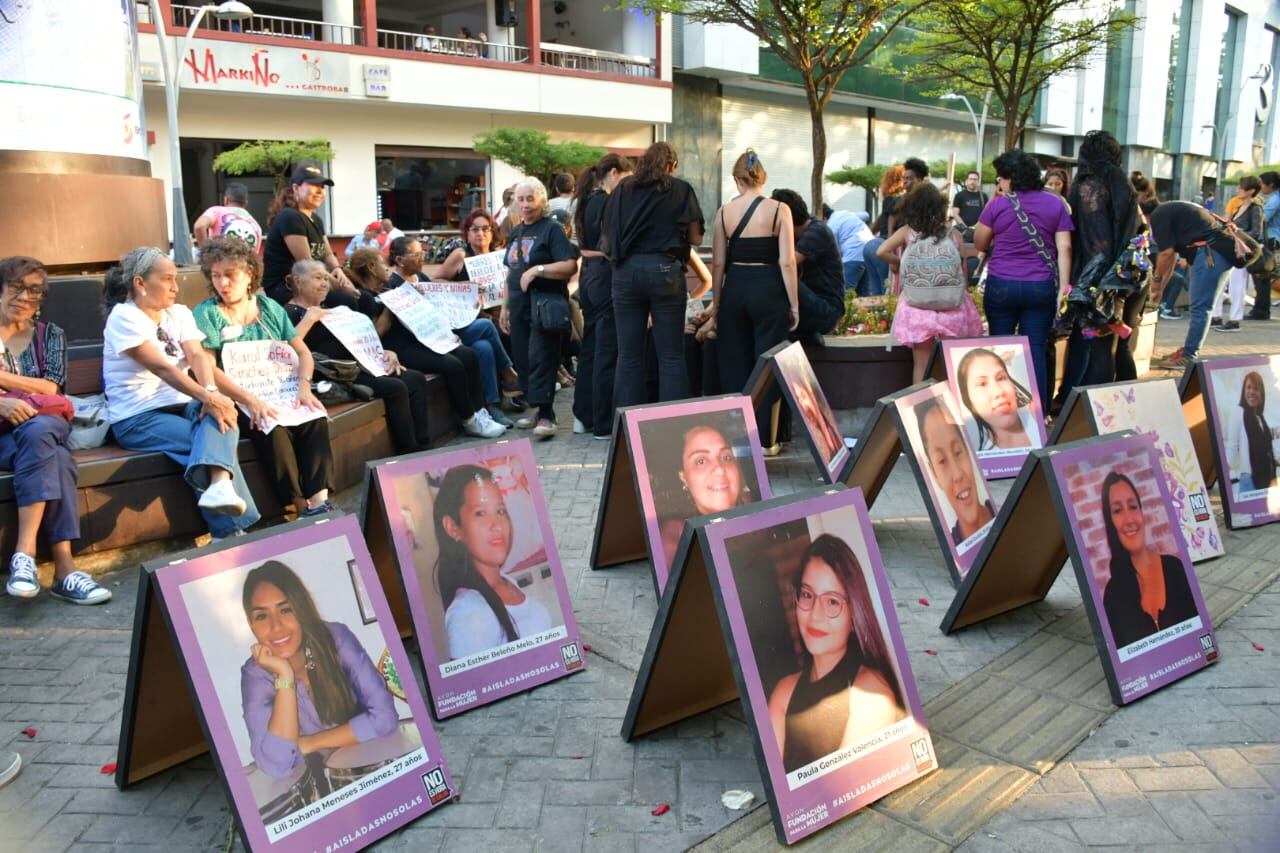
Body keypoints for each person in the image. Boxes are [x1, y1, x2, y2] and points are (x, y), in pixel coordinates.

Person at [102, 247, 260, 542]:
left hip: (182, 403)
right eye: (167, 280)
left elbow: (197, 355)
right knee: (207, 442)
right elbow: (163, 369)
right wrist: (209, 399)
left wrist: (211, 393)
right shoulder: (123, 317)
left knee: (223, 417)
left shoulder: (179, 313)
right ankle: (230, 528)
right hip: (137, 417)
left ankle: (222, 498)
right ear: (140, 283)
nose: (176, 287)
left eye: (176, 279)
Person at [193, 238, 336, 517]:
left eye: (230, 275)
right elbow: (208, 366)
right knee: (271, 426)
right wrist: (249, 399)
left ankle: (321, 501)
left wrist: (304, 389)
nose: (223, 283)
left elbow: (303, 354)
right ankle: (297, 505)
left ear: (249, 275)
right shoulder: (207, 313)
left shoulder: (270, 308)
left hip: (281, 389)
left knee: (314, 418)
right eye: (216, 275)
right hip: (239, 396)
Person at [0, 257, 109, 604]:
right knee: (58, 459)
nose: (26, 296)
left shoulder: (51, 335)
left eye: (35, 290)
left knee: (41, 429)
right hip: (7, 438)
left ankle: (24, 556)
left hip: (42, 427)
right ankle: (65, 570)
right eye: (17, 287)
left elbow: (51, 390)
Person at [240, 561, 399, 779]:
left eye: (286, 609)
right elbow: (276, 765)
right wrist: (284, 677)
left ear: (301, 609)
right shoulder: (255, 674)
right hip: (316, 789)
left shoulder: (336, 639)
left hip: (370, 766)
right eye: (261, 616)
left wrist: (308, 743)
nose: (276, 626)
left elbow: (385, 717)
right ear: (251, 624)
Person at [767, 534, 907, 774]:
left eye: (832, 601)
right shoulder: (784, 692)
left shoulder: (871, 694)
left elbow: (842, 790)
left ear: (854, 616)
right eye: (807, 595)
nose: (815, 614)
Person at [285, 257, 433, 454]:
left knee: (414, 378)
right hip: (333, 373)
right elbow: (288, 350)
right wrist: (310, 319)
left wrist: (386, 352)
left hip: (359, 364)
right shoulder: (290, 312)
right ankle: (408, 450)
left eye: (326, 279)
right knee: (395, 387)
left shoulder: (331, 310)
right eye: (317, 278)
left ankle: (424, 445)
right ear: (297, 281)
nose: (324, 284)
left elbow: (362, 338)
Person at [601, 142, 705, 409]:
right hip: (666, 272)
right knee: (671, 355)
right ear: (672, 166)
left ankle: (626, 426)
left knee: (628, 355)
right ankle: (673, 425)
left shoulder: (623, 189)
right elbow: (695, 237)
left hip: (626, 274)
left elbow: (607, 237)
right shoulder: (681, 190)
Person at [705, 150, 794, 434]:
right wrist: (794, 304)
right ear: (763, 177)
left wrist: (716, 305)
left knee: (734, 361)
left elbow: (718, 262)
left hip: (735, 288)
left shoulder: (724, 212)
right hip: (769, 287)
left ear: (736, 179)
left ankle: (737, 434)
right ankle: (767, 437)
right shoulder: (780, 209)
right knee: (767, 364)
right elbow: (787, 261)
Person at [974, 149, 1074, 399]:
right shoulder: (1055, 203)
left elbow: (980, 243)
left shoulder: (997, 205)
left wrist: (993, 203)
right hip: (1040, 287)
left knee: (999, 349)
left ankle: (1002, 409)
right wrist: (1063, 287)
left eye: (1001, 178)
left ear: (1011, 178)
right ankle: (1037, 418)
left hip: (1001, 286)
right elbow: (1065, 247)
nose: (999, 183)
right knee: (1035, 351)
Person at [381, 237, 506, 438]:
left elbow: (438, 308)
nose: (422, 258)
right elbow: (385, 325)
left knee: (469, 355)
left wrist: (449, 334)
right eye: (416, 255)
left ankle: (479, 411)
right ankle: (468, 419)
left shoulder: (421, 277)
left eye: (422, 254)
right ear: (399, 259)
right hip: (406, 344)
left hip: (432, 336)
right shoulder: (390, 284)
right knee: (453, 365)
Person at [1056, 131, 1141, 404]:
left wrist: (1088, 284)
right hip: (1121, 275)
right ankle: (1101, 406)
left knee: (1095, 343)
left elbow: (1096, 237)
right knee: (1105, 343)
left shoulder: (1090, 184)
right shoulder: (1121, 183)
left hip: (1096, 276)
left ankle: (1091, 409)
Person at [434, 465, 555, 658]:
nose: (497, 525)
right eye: (480, 513)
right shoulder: (468, 614)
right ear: (453, 527)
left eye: (500, 511)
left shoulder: (506, 581)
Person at [416, 220, 521, 427]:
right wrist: (462, 285)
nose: (480, 234)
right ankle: (508, 373)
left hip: (490, 317)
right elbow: (436, 282)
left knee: (485, 347)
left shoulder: (498, 255)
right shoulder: (460, 255)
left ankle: (492, 407)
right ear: (467, 233)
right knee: (488, 327)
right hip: (462, 322)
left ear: (492, 233)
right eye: (475, 229)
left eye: (485, 229)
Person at [497, 179, 579, 437]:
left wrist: (538, 270)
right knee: (522, 358)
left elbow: (570, 266)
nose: (524, 204)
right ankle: (538, 409)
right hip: (519, 306)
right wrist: (505, 307)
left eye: (530, 198)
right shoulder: (516, 231)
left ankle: (547, 415)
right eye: (520, 199)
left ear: (543, 200)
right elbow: (510, 271)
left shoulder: (552, 229)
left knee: (542, 356)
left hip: (544, 304)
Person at [877, 183, 983, 382]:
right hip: (952, 305)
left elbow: (880, 251)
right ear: (941, 208)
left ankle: (921, 406)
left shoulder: (907, 232)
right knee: (952, 363)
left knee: (921, 364)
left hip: (917, 306)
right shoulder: (953, 234)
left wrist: (901, 264)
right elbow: (963, 270)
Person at [570, 153, 634, 439]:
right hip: (604, 273)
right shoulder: (605, 201)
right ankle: (603, 422)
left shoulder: (584, 199)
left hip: (589, 275)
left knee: (591, 348)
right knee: (605, 350)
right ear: (613, 172)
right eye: (624, 178)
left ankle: (582, 416)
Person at [1099, 472, 1198, 648]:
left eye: (1133, 506)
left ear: (1142, 513)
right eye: (1117, 511)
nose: (1129, 519)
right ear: (1110, 521)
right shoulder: (1113, 594)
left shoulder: (1175, 569)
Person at [1147, 199, 1249, 369]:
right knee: (1201, 307)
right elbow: (1171, 258)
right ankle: (1188, 350)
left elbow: (1166, 254)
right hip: (1214, 251)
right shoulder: (1171, 209)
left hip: (1210, 254)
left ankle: (1189, 355)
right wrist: (1160, 288)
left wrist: (1156, 282)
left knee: (1201, 307)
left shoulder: (1159, 215)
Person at [655, 422, 754, 569]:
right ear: (684, 477)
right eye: (701, 461)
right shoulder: (676, 539)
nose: (720, 469)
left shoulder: (757, 512)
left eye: (726, 457)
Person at [262, 163, 357, 306]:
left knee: (364, 298)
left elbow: (328, 254)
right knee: (347, 300)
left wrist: (339, 271)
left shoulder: (316, 219)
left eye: (322, 187)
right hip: (288, 287)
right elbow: (308, 264)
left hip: (314, 281)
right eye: (314, 185)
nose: (319, 191)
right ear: (296, 188)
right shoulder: (290, 217)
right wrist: (342, 286)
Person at [915, 395, 995, 547]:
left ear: (968, 450)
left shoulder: (1001, 521)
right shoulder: (955, 547)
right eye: (942, 461)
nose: (957, 475)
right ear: (934, 474)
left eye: (958, 452)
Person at [772, 189, 844, 339]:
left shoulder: (817, 232)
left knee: (776, 274)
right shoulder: (799, 233)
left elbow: (787, 264)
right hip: (811, 303)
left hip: (826, 311)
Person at [1211, 177, 1264, 333]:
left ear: (1251, 191)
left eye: (1241, 188)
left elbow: (1256, 232)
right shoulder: (1239, 206)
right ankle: (1217, 316)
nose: (1237, 190)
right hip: (1233, 249)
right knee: (1223, 281)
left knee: (1237, 285)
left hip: (1244, 251)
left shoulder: (1256, 208)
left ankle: (1234, 320)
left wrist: (1236, 233)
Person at [956, 348, 1036, 450]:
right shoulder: (974, 457)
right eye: (982, 384)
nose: (998, 392)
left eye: (1001, 378)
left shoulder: (1034, 415)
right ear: (969, 402)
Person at [1224, 370, 1278, 495]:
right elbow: (1232, 446)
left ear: (1261, 394)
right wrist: (1226, 474)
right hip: (1250, 480)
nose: (1252, 392)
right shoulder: (1239, 412)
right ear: (1244, 390)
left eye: (1256, 388)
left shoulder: (1260, 418)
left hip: (1267, 479)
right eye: (1248, 387)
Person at [862, 165, 906, 297]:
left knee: (876, 294)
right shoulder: (901, 201)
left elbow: (877, 224)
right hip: (884, 247)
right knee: (886, 294)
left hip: (871, 245)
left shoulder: (888, 200)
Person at [193, 182, 262, 254]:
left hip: (219, 263)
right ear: (246, 203)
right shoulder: (256, 226)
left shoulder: (216, 211)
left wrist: (205, 253)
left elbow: (199, 226)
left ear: (226, 199)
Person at [1250, 170, 1280, 321]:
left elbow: (1264, 217)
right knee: (1264, 276)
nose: (1260, 187)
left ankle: (1260, 310)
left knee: (1262, 275)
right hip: (1273, 239)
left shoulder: (1275, 199)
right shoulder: (1274, 197)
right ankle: (1261, 309)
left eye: (1262, 184)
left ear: (1271, 185)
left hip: (1271, 240)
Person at [826, 206, 874, 292]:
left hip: (853, 256)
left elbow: (834, 251)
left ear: (824, 218)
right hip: (869, 251)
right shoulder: (845, 214)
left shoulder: (830, 226)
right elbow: (866, 215)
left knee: (845, 292)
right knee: (865, 293)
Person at [950, 170, 988, 235]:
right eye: (970, 179)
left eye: (975, 179)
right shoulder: (959, 195)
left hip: (978, 231)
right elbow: (955, 214)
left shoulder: (983, 196)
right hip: (962, 231)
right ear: (967, 180)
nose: (972, 181)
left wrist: (974, 227)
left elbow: (986, 214)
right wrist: (965, 227)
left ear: (978, 181)